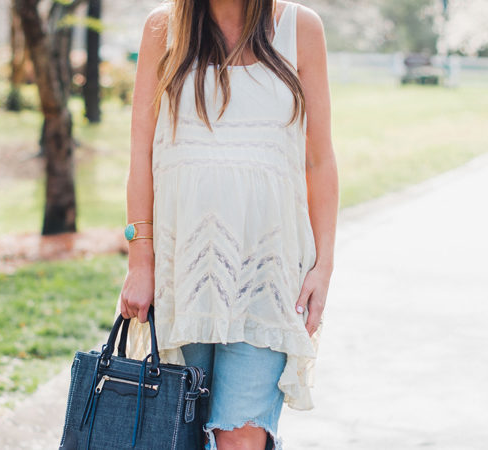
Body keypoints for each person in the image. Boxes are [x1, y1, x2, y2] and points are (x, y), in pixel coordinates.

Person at [118, 0, 338, 448]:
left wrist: (323, 268)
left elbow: (319, 159)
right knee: (177, 434)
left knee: (240, 437)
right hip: (183, 278)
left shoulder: (301, 28)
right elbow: (141, 153)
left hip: (268, 279)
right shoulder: (164, 29)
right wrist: (140, 261)